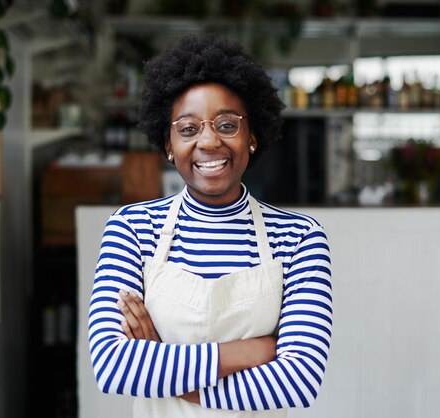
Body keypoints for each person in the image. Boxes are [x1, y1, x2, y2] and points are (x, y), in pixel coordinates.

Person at [88, 35, 332, 417]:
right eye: (188, 129)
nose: (208, 141)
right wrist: (247, 351)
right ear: (168, 144)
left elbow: (298, 380)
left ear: (251, 137)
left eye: (227, 125)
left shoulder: (300, 239)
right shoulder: (132, 229)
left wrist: (169, 371)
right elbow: (112, 367)